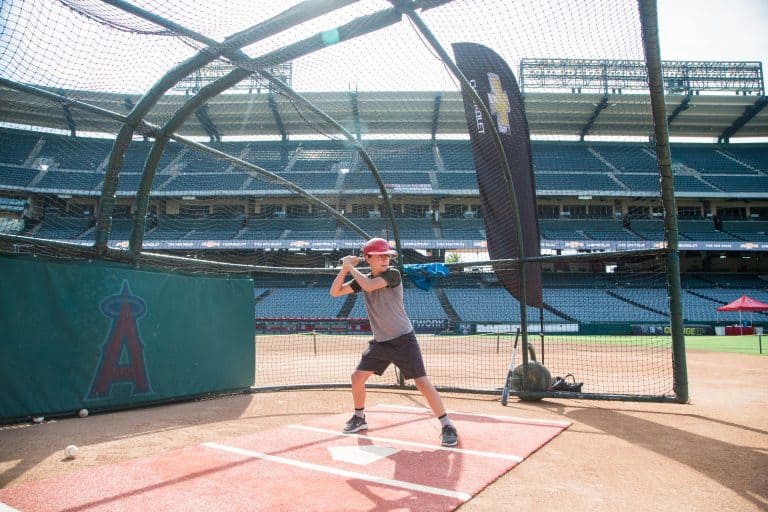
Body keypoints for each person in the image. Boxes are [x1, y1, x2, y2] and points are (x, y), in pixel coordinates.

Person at [329, 237, 459, 447]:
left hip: (402, 340)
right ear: (368, 258)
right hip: (380, 343)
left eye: (387, 255)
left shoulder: (392, 274)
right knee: (357, 377)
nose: (385, 259)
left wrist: (350, 267)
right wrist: (344, 269)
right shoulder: (362, 278)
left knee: (422, 382)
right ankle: (359, 417)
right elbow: (334, 292)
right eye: (379, 256)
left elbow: (370, 286)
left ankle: (447, 425)